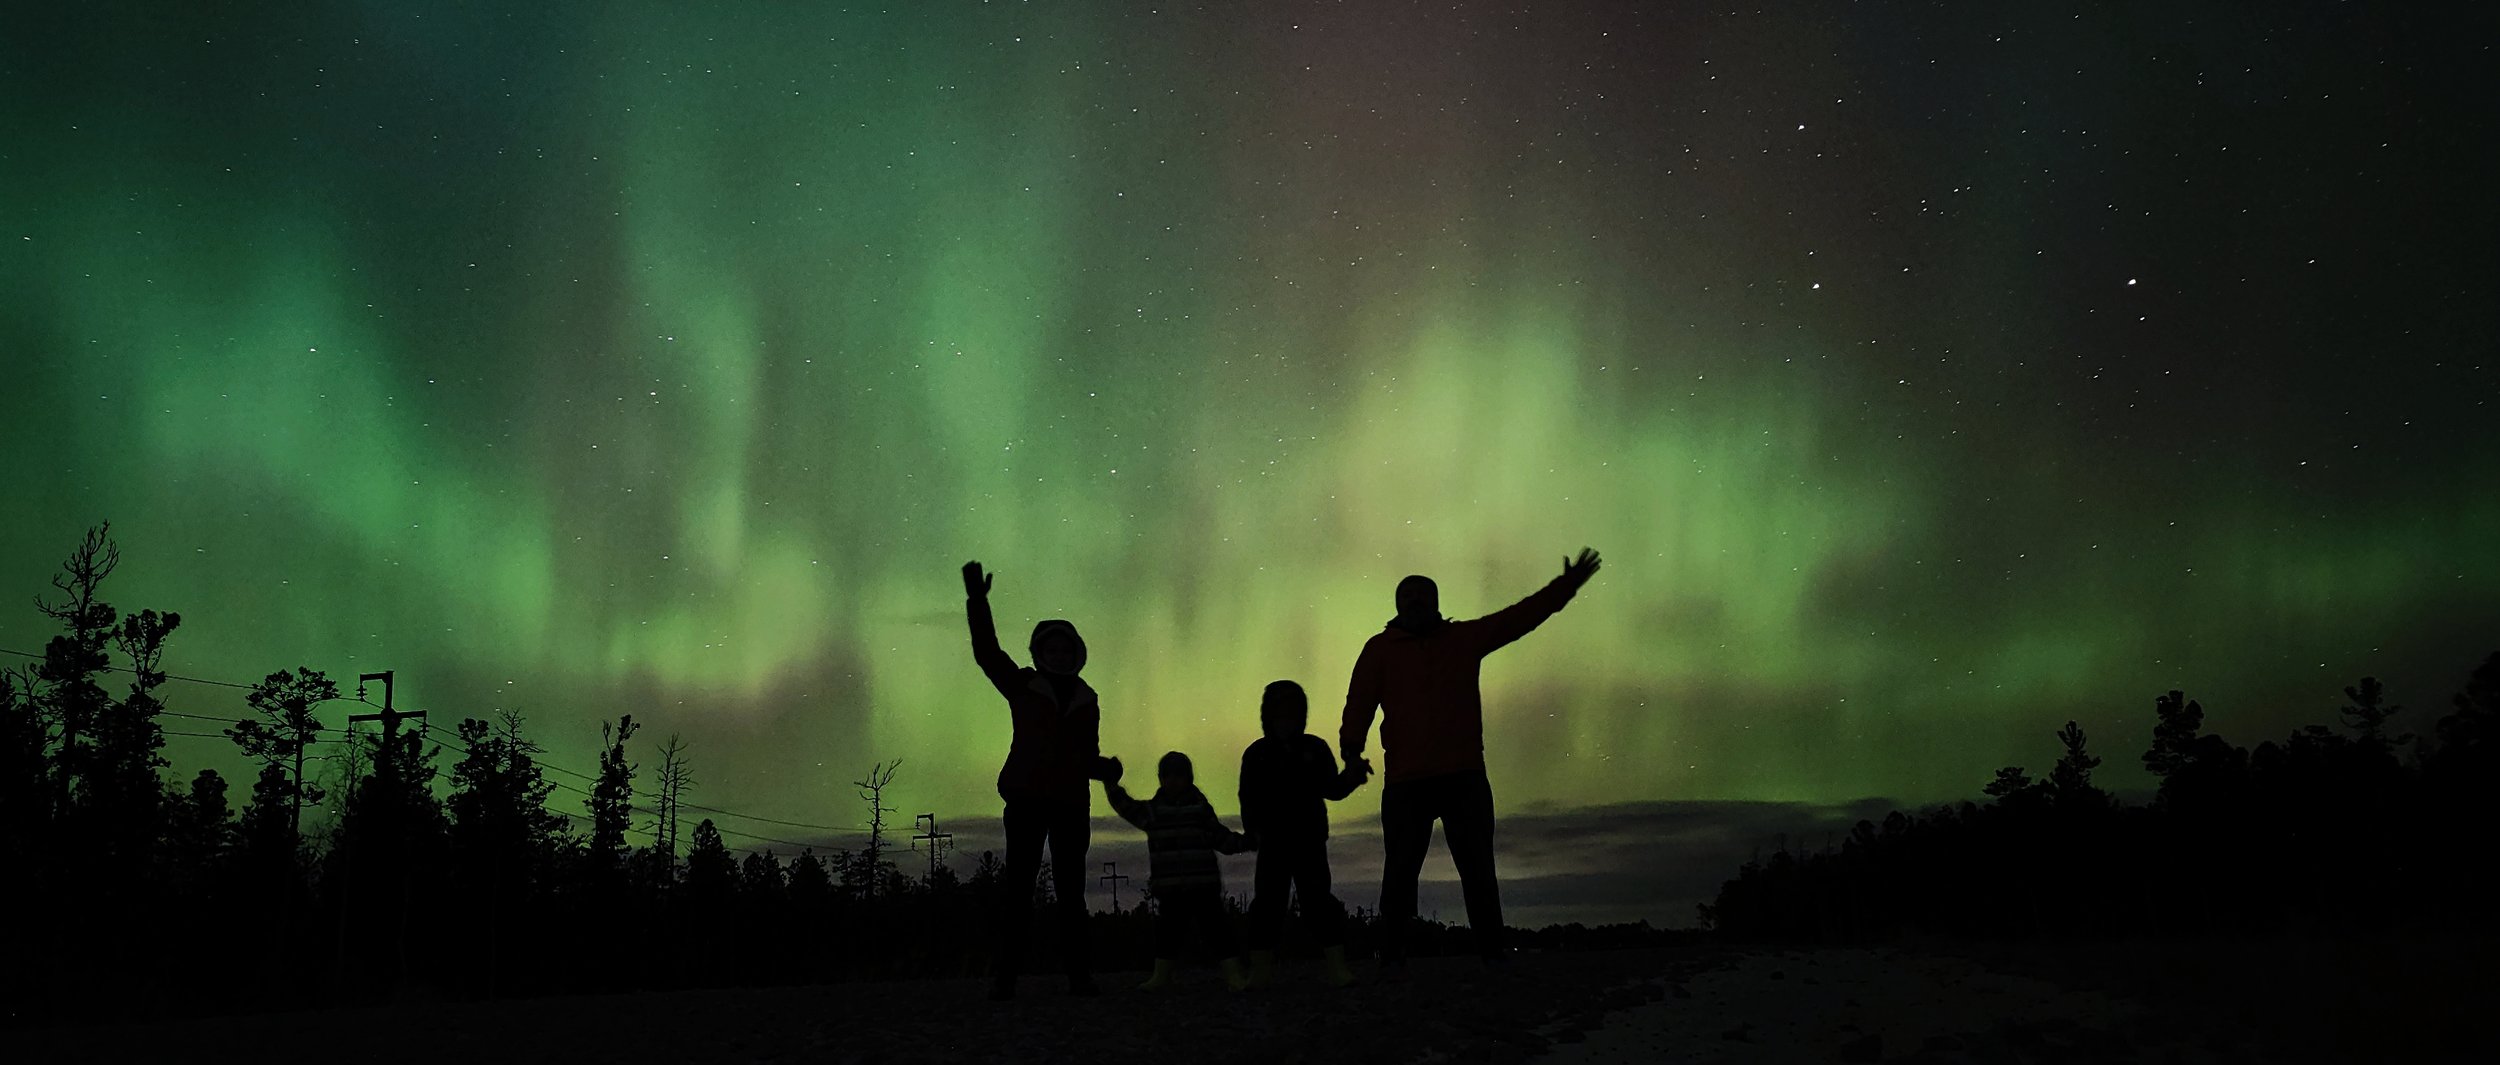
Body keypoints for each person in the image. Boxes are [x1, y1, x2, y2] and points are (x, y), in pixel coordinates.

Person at [1341, 548, 1602, 970]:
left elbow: (1518, 619)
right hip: (1407, 780)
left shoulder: (1462, 640)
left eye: (1422, 596)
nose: (1415, 603)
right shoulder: (1380, 650)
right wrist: (1351, 750)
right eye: (1408, 597)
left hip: (1463, 776)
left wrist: (1565, 587)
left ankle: (1492, 953)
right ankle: (1391, 954)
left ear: (1436, 602)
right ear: (1397, 605)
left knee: (1478, 868)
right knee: (1401, 873)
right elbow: (1359, 703)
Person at [963, 560, 1114, 1000]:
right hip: (1027, 801)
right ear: (1039, 654)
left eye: (1067, 651)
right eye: (1052, 650)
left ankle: (1079, 977)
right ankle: (1006, 978)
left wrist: (1104, 768)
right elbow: (987, 653)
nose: (1060, 657)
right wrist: (977, 601)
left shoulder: (1088, 699)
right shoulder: (1023, 685)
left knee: (1071, 895)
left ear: (1076, 654)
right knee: (1020, 892)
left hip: (1070, 803)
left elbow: (1085, 756)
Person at [1237, 679, 1370, 987]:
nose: (1285, 718)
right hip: (1272, 843)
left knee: (1318, 902)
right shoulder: (1256, 754)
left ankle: (1337, 968)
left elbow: (1332, 789)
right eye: (1279, 712)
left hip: (1309, 841)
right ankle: (1261, 971)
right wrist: (1252, 830)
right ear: (1267, 716)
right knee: (1268, 904)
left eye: (1291, 711)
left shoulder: (1315, 748)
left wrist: (1352, 777)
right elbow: (1248, 796)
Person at [1103, 751, 1257, 991]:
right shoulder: (1153, 812)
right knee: (1167, 933)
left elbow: (1220, 838)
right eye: (1167, 776)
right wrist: (1111, 784)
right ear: (1161, 779)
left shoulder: (1200, 809)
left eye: (1178, 775)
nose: (1172, 781)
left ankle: (1233, 975)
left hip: (1203, 885)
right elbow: (1127, 807)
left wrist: (1247, 842)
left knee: (1218, 931)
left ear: (1188, 778)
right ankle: (1161, 976)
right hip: (1171, 887)